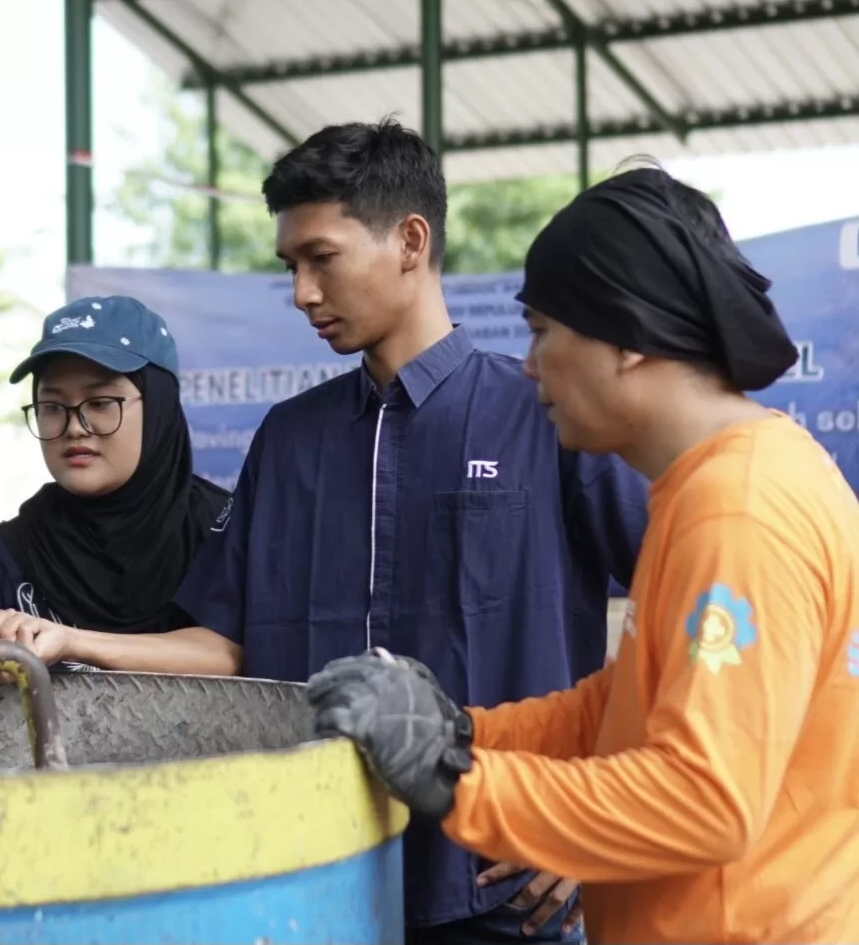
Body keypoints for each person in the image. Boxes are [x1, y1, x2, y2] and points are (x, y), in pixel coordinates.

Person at [307, 166, 859, 944]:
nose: (530, 365)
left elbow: (707, 799)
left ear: (626, 337)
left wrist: (453, 776)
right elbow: (621, 705)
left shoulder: (740, 509)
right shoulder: (710, 485)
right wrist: (463, 731)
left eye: (541, 331)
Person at [172, 120, 650, 943]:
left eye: (322, 257)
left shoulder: (544, 416)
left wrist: (602, 813)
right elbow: (225, 642)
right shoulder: (289, 441)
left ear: (410, 240)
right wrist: (69, 641)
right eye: (290, 266)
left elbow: (684, 615)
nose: (301, 293)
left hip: (503, 884)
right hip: (313, 877)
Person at [0, 295, 239, 677]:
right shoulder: (5, 561)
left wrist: (72, 641)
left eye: (101, 402)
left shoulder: (224, 534)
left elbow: (252, 658)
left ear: (160, 407)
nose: (74, 427)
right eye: (52, 407)